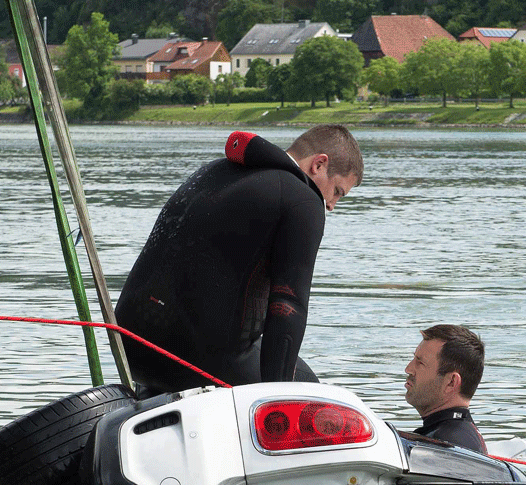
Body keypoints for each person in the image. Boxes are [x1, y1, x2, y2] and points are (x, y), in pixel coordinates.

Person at [114, 125, 363, 393]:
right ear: (319, 164)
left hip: (128, 345)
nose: (332, 204)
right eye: (337, 191)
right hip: (193, 362)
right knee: (314, 395)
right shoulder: (303, 201)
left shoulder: (213, 170)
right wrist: (277, 398)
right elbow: (289, 306)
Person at [403, 324, 486, 453]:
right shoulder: (461, 435)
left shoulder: (447, 444)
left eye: (420, 362)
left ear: (451, 382)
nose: (408, 369)